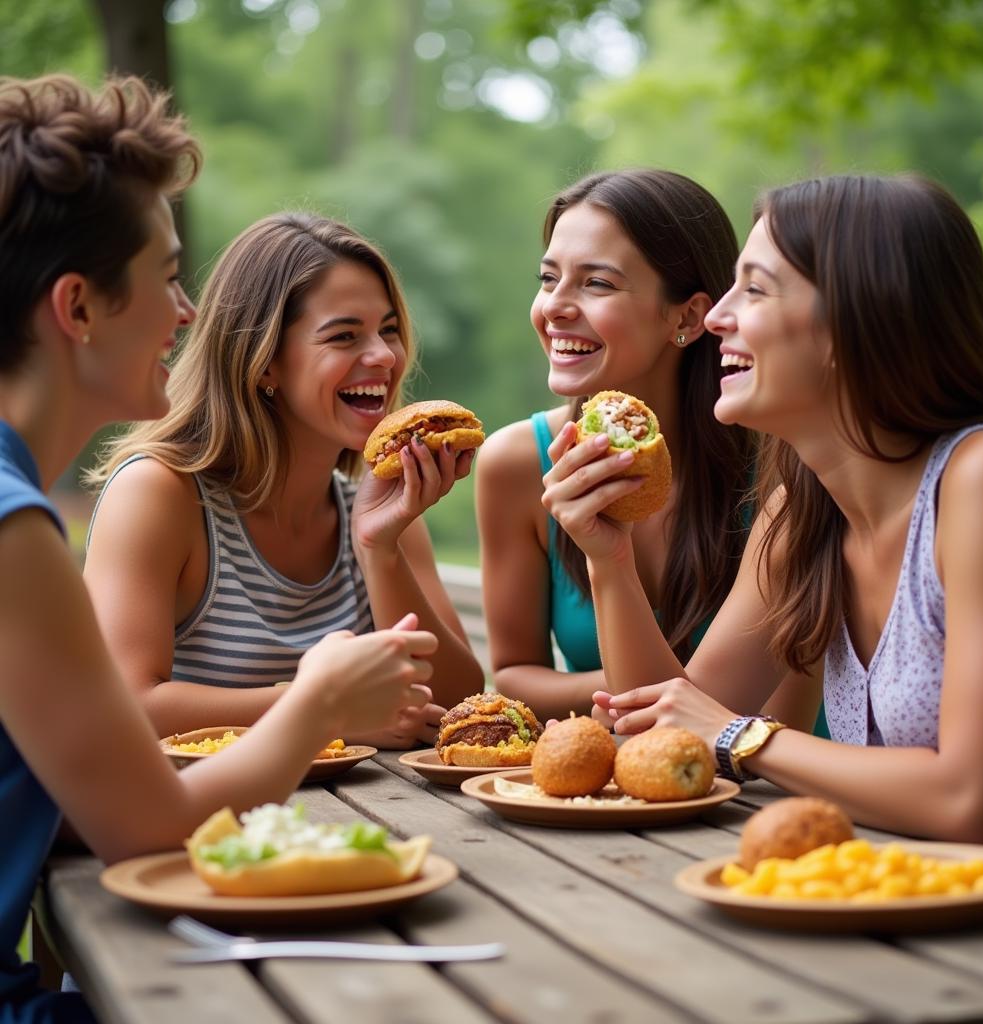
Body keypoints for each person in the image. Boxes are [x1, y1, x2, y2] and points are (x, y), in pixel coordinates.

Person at [0, 74, 438, 1022]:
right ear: (78, 309)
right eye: (165, 276)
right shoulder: (13, 528)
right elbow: (145, 828)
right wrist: (318, 699)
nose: (188, 314)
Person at [545, 173, 983, 845]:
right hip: (898, 915)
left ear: (854, 323)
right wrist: (609, 558)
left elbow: (968, 803)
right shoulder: (801, 510)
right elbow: (672, 737)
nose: (716, 318)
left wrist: (741, 736)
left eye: (756, 289)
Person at [84, 211, 483, 744]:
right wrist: (326, 709)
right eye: (344, 336)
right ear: (265, 361)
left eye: (389, 330)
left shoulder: (383, 509)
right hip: (197, 819)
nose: (385, 356)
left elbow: (461, 705)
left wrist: (378, 547)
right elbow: (121, 704)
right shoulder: (159, 494)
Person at [476, 168, 820, 727]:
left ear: (687, 316)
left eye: (597, 283)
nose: (554, 307)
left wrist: (665, 686)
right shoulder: (517, 463)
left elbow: (753, 726)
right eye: (547, 279)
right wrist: (670, 682)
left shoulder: (787, 472)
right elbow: (514, 673)